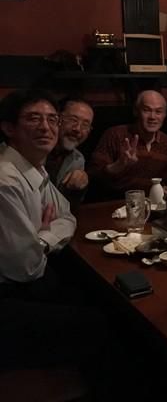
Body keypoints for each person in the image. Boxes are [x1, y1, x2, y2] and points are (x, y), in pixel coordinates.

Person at [0, 89, 113, 397]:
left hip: (27, 279)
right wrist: (44, 238)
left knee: (102, 299)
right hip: (11, 292)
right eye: (33, 118)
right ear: (9, 127)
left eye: (52, 119)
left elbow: (66, 215)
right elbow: (26, 267)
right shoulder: (6, 180)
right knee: (101, 324)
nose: (46, 127)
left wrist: (40, 237)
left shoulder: (33, 167)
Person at [89, 90, 167, 197]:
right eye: (146, 110)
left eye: (158, 112)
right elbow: (93, 175)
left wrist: (165, 189)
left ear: (165, 115)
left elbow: (166, 181)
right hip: (114, 201)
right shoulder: (115, 135)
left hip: (151, 202)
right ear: (136, 111)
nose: (152, 117)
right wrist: (118, 165)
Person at [45, 97, 94, 209]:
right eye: (73, 120)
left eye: (85, 125)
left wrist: (80, 187)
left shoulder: (78, 159)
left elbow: (69, 206)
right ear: (57, 119)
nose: (77, 129)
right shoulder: (36, 151)